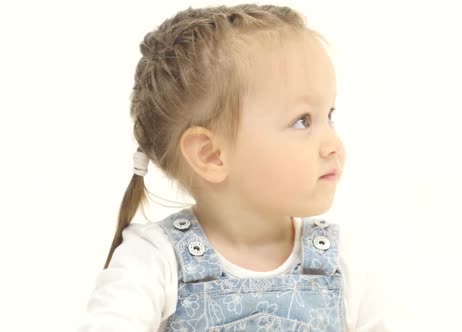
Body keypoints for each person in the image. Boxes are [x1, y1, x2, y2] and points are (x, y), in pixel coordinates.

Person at [78, 4, 391, 331]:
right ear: (211, 155)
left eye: (329, 115)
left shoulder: (345, 263)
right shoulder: (155, 260)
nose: (333, 144)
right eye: (302, 121)